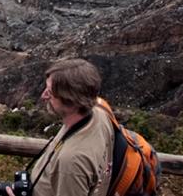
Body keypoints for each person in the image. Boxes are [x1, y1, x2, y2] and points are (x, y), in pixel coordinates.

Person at [7, 59, 115, 196]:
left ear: (70, 99)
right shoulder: (100, 114)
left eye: (50, 92)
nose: (44, 95)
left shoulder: (72, 162)